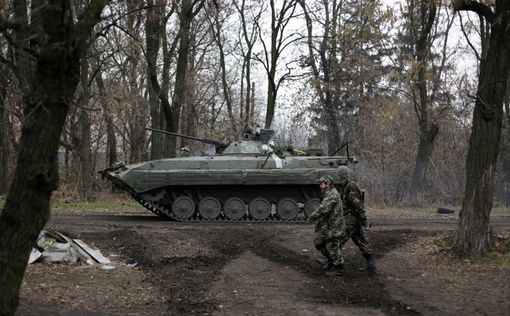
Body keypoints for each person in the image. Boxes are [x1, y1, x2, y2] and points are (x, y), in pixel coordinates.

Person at [336, 166, 375, 271]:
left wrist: (364, 220)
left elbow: (357, 205)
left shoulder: (350, 186)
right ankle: (371, 263)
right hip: (353, 219)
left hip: (350, 220)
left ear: (340, 176)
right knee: (361, 240)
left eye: (338, 175)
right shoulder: (346, 186)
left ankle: (334, 265)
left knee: (337, 241)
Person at [308, 175, 345, 276]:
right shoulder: (328, 193)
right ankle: (331, 262)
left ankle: (338, 269)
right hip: (329, 225)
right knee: (319, 242)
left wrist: (312, 217)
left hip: (334, 226)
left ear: (328, 184)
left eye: (322, 184)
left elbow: (323, 209)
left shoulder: (332, 195)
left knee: (332, 246)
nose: (320, 186)